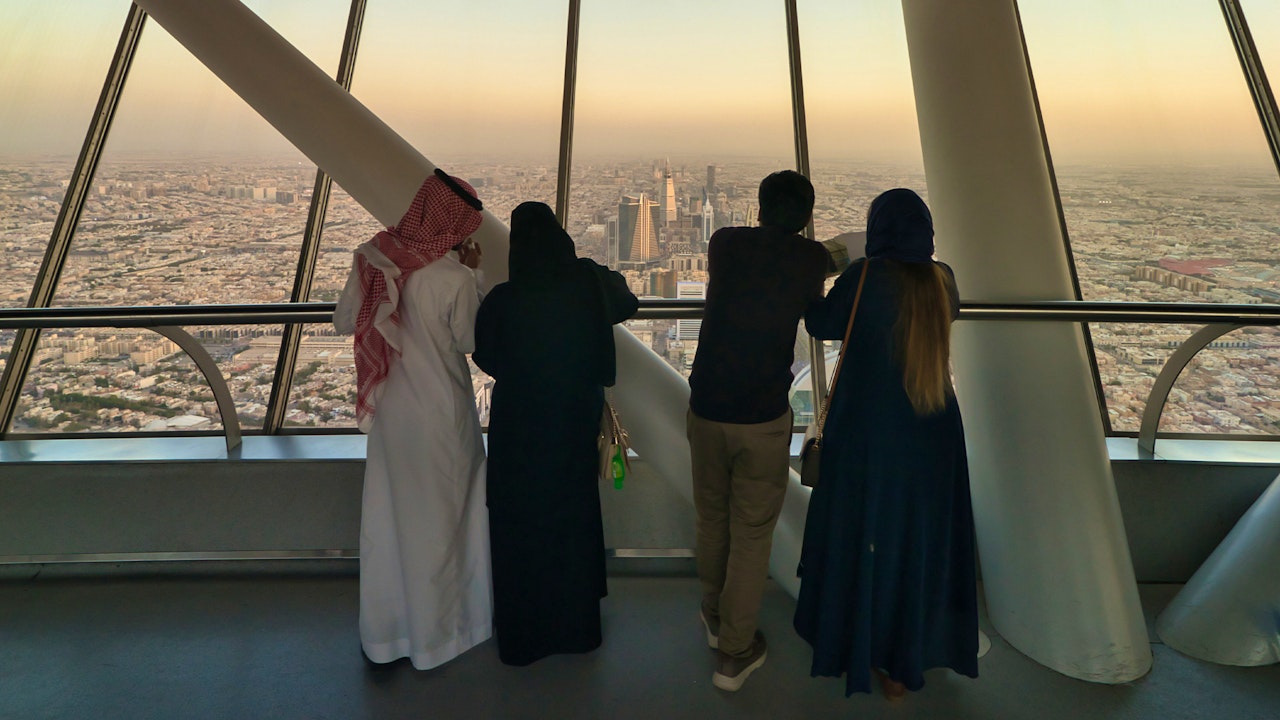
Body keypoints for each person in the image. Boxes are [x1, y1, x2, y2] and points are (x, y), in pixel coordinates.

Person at [793, 188, 978, 699]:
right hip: (935, 429)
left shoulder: (864, 277)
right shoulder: (943, 280)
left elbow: (822, 322)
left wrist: (825, 272)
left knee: (865, 535)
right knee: (917, 542)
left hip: (868, 430)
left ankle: (859, 644)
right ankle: (906, 660)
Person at [333, 169, 492, 670]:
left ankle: (388, 635)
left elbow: (343, 321)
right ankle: (442, 636)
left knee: (391, 517)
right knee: (446, 521)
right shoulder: (454, 278)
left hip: (392, 414)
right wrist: (476, 276)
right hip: (442, 414)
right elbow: (470, 342)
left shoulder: (375, 259)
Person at [472, 201, 639, 666]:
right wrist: (587, 268)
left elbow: (485, 356)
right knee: (572, 515)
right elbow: (627, 301)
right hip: (572, 420)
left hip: (520, 425)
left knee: (519, 523)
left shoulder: (504, 300)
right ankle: (577, 629)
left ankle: (525, 636)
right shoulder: (587, 286)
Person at [686, 170, 830, 692]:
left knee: (712, 517)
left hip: (707, 406)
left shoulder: (725, 244)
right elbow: (823, 285)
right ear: (806, 218)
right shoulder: (810, 260)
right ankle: (735, 651)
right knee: (750, 533)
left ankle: (713, 615)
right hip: (762, 416)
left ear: (760, 206)